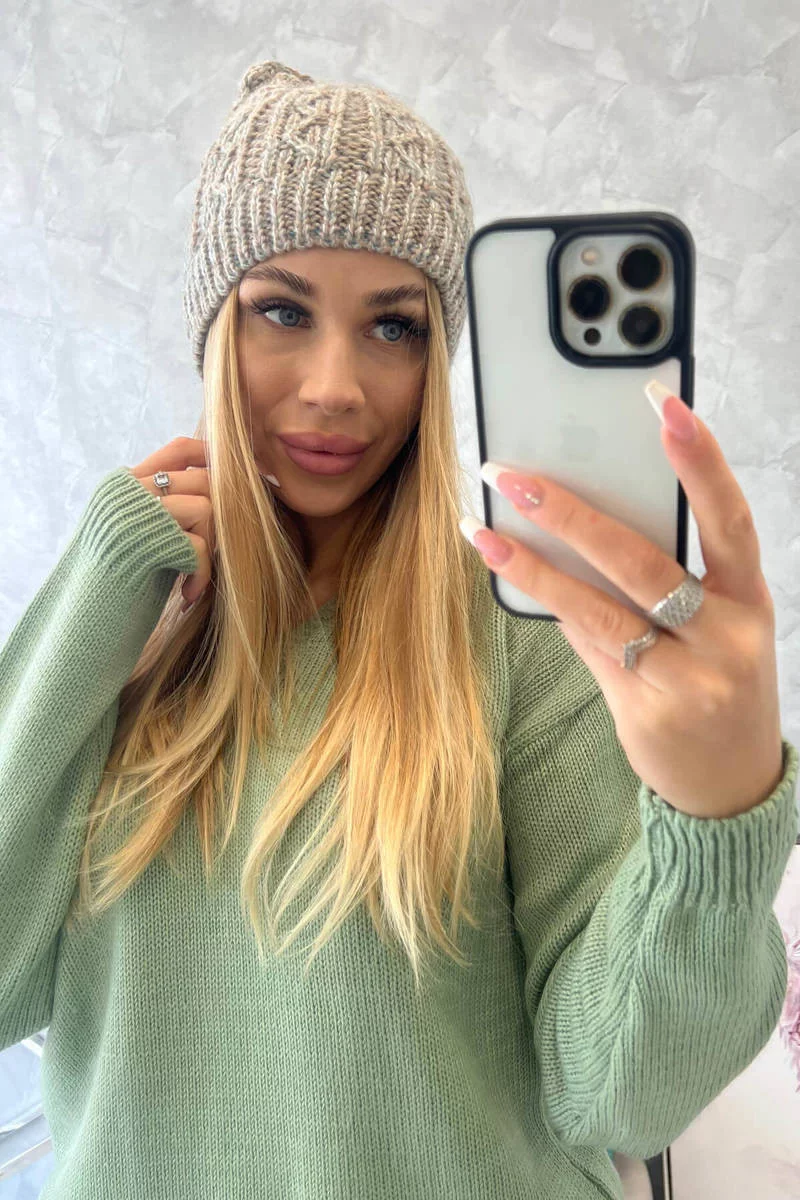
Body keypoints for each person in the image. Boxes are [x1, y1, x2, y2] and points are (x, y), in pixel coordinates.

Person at [0, 60, 796, 1200]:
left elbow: (618, 1097)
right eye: (282, 311)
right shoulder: (129, 614)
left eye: (393, 326)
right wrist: (99, 590)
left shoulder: (519, 639)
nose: (337, 386)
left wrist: (715, 817)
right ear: (213, 327)